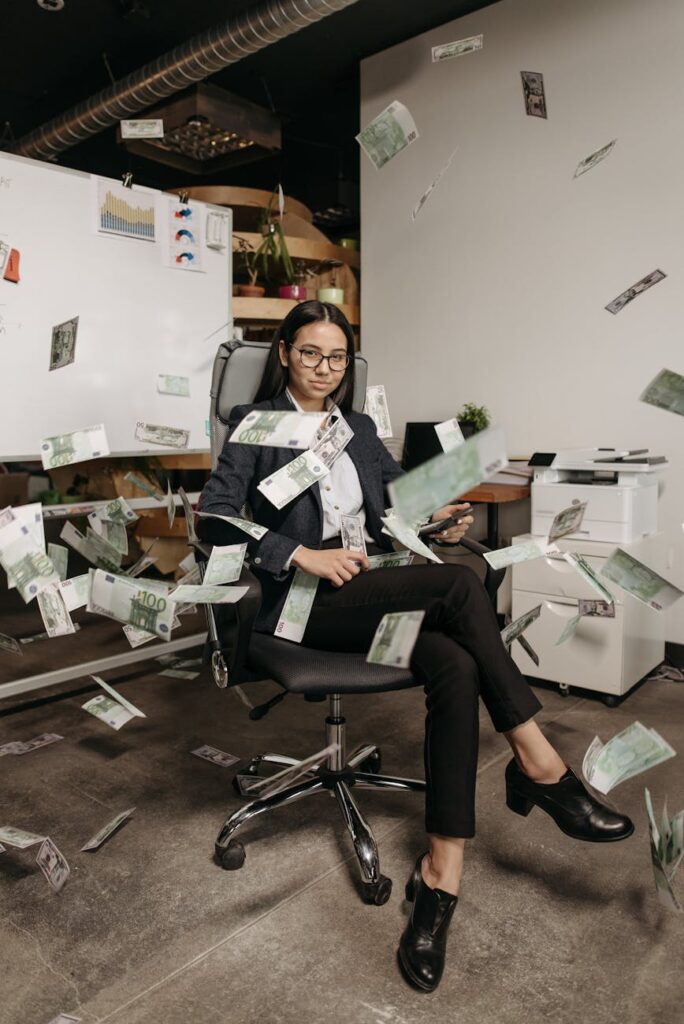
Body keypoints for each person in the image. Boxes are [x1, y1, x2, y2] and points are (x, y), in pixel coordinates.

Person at [198, 300, 634, 993]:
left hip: (368, 588)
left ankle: (440, 874)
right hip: (302, 605)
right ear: (283, 353)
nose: (325, 369)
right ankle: (540, 764)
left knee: (454, 662)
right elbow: (213, 522)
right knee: (462, 592)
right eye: (310, 353)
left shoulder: (358, 427)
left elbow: (391, 514)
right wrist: (298, 554)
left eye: (338, 358)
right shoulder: (258, 428)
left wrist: (435, 527)